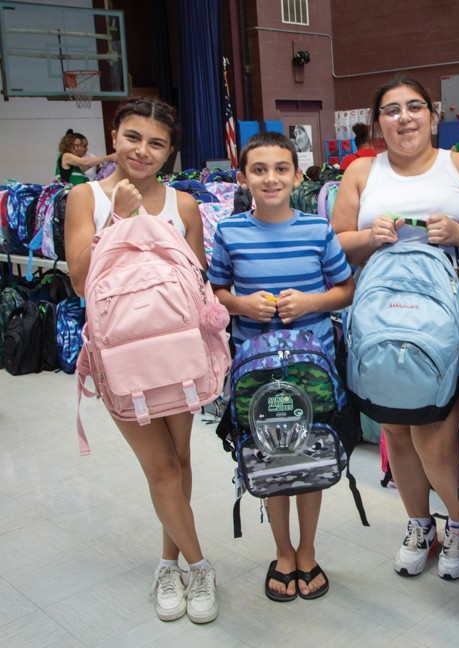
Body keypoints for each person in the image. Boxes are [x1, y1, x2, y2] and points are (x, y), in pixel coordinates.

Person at [331, 77, 459, 581]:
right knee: (397, 429)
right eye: (391, 110)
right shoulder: (361, 172)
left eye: (414, 108)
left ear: (433, 114)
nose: (404, 118)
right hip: (381, 319)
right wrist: (369, 235)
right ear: (378, 121)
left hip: (450, 320)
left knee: (435, 428)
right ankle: (419, 523)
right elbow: (335, 243)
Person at [64, 97, 218, 625]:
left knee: (181, 462)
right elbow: (81, 279)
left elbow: (198, 282)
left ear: (170, 151)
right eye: (133, 137)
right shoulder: (86, 198)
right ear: (114, 135)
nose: (142, 151)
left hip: (176, 354)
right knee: (158, 467)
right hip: (121, 358)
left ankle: (169, 560)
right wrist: (122, 216)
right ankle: (199, 567)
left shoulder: (185, 205)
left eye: (156, 143)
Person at [208, 131, 355, 602]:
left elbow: (345, 289)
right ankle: (283, 551)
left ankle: (308, 549)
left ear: (296, 175)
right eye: (259, 170)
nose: (270, 178)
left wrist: (311, 300)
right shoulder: (230, 231)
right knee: (272, 457)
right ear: (244, 177)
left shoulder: (317, 228)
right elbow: (217, 293)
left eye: (280, 169)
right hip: (257, 373)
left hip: (313, 371)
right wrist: (242, 306)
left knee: (309, 455)